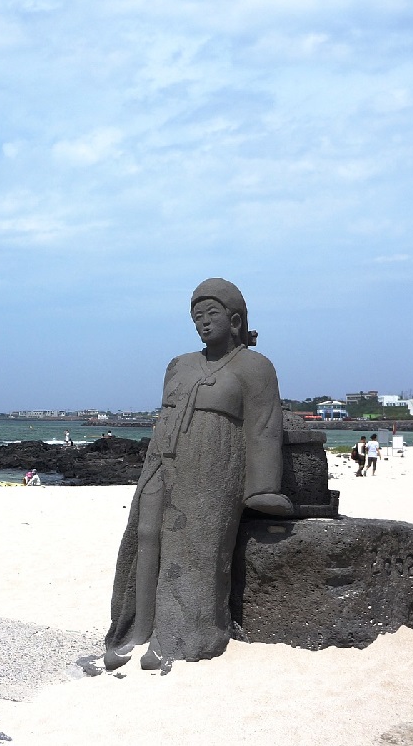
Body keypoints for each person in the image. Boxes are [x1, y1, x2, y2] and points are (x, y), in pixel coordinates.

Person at [104, 279, 290, 671]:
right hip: (163, 458)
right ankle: (136, 628)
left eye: (211, 315)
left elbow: (263, 427)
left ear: (235, 319)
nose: (203, 323)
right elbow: (165, 414)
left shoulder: (255, 367)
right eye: (196, 317)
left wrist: (263, 488)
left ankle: (182, 636)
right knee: (145, 534)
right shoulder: (180, 363)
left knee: (194, 547)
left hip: (214, 465)